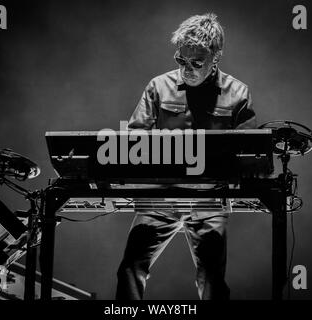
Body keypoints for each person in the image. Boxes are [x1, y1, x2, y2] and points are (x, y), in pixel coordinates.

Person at [115, 13, 256, 300]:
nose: (187, 69)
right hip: (159, 195)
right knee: (130, 269)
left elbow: (251, 152)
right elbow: (134, 138)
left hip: (209, 198)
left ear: (216, 57)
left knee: (211, 279)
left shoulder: (238, 93)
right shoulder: (158, 86)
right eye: (181, 61)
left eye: (196, 63)